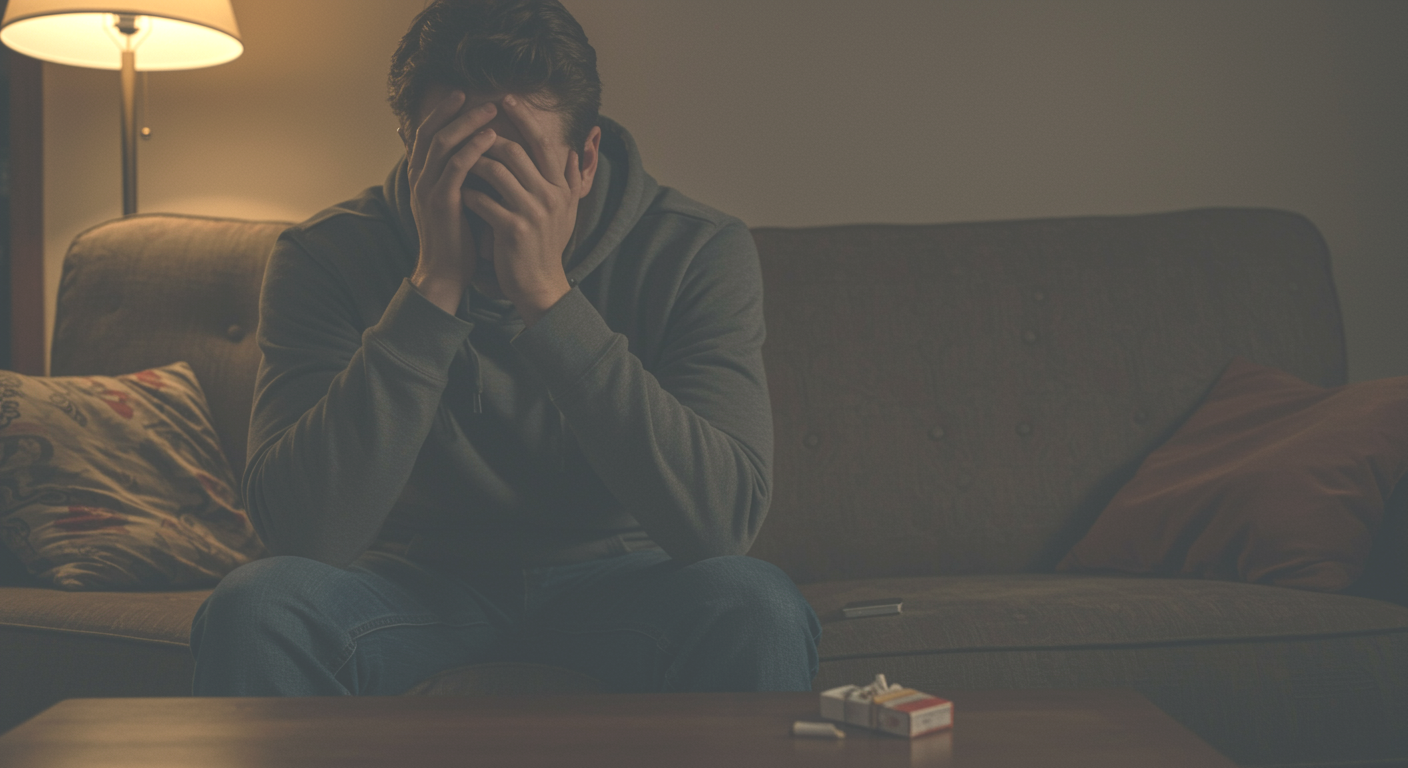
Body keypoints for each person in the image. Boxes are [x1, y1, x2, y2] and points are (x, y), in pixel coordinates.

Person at [188, 0, 820, 696]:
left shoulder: (697, 250)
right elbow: (301, 536)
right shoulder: (326, 255)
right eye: (457, 159)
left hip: (626, 584)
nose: (492, 197)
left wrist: (549, 299)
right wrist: (431, 289)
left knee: (756, 605)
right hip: (409, 584)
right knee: (256, 609)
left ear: (585, 161)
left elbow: (721, 525)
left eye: (522, 166)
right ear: (412, 149)